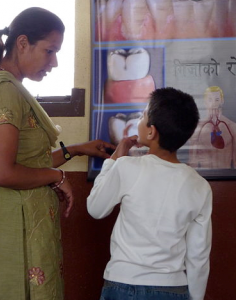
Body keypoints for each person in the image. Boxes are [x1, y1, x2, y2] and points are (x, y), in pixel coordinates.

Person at [0, 7, 115, 300]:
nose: (54, 62)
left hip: (28, 220)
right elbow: (2, 172)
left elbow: (30, 163)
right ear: (22, 43)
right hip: (15, 223)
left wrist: (76, 150)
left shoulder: (15, 88)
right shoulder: (5, 90)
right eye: (49, 51)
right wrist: (57, 177)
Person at [87, 87, 212, 300]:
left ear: (151, 132)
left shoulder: (126, 167)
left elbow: (95, 208)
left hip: (122, 285)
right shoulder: (199, 186)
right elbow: (198, 254)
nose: (139, 119)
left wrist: (114, 160)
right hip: (172, 288)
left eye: (143, 115)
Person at [189, 86, 236, 169]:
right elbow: (193, 162)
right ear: (205, 102)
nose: (214, 103)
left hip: (227, 178)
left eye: (217, 99)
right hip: (205, 178)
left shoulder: (232, 127)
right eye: (210, 99)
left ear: (222, 101)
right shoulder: (197, 129)